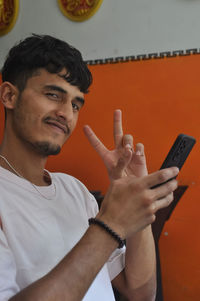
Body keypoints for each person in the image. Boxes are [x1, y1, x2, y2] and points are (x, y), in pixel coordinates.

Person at [0, 34, 179, 301]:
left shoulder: (75, 190)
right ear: (9, 95)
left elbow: (140, 291)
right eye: (53, 95)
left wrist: (137, 201)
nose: (66, 113)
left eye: (75, 104)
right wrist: (111, 225)